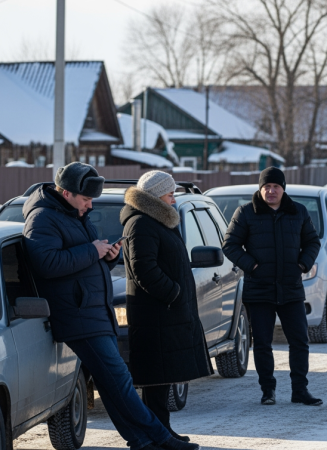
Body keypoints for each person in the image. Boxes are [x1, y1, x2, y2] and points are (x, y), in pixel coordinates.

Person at [23, 162, 196, 450]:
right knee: (120, 380)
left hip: (93, 310)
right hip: (77, 313)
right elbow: (46, 263)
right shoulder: (42, 218)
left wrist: (107, 256)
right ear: (66, 193)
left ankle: (141, 440)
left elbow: (81, 258)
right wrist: (92, 250)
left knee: (112, 383)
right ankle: (160, 437)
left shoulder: (74, 213)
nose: (90, 206)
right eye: (86, 199)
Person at [120, 171, 212, 444]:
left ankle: (163, 431)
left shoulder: (157, 220)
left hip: (166, 314)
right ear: (154, 195)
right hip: (156, 314)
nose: (174, 197)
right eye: (169, 193)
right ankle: (157, 435)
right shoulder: (141, 223)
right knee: (156, 379)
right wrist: (173, 293)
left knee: (163, 376)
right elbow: (143, 269)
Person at [222, 167, 322, 406]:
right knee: (263, 343)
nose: (271, 191)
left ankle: (300, 390)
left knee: (299, 341)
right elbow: (230, 245)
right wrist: (252, 266)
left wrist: (302, 264)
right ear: (260, 188)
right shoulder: (246, 213)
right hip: (259, 291)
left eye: (275, 186)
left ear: (283, 188)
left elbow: (312, 242)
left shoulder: (298, 211)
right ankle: (268, 391)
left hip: (291, 288)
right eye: (266, 186)